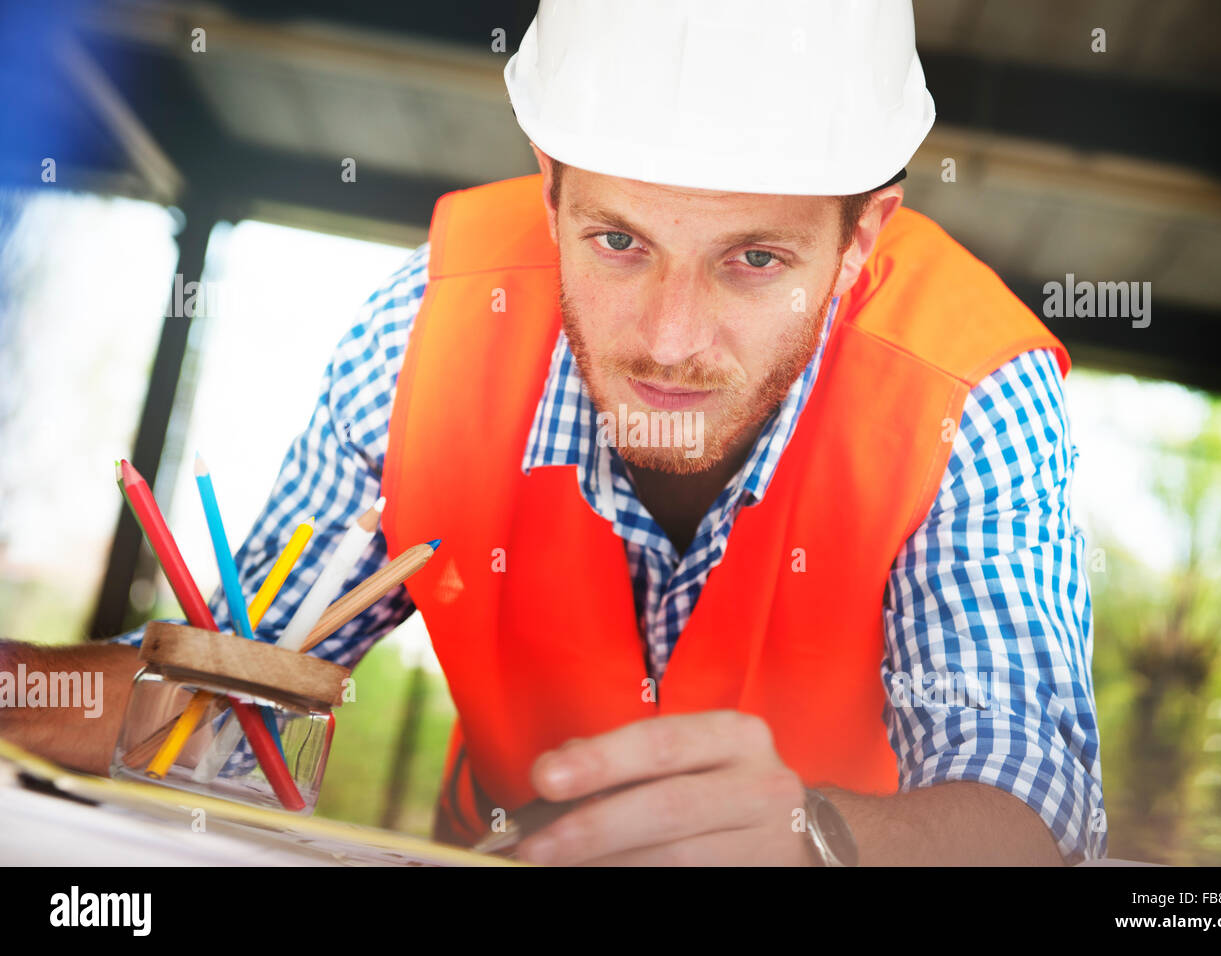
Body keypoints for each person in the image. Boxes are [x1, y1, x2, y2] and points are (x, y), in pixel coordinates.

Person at [0, 0, 1104, 866]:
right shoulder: (421, 332)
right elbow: (224, 704)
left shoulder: (974, 395)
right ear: (549, 193)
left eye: (752, 259)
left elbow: (1028, 822)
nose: (670, 341)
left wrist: (810, 844)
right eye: (618, 240)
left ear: (863, 237)